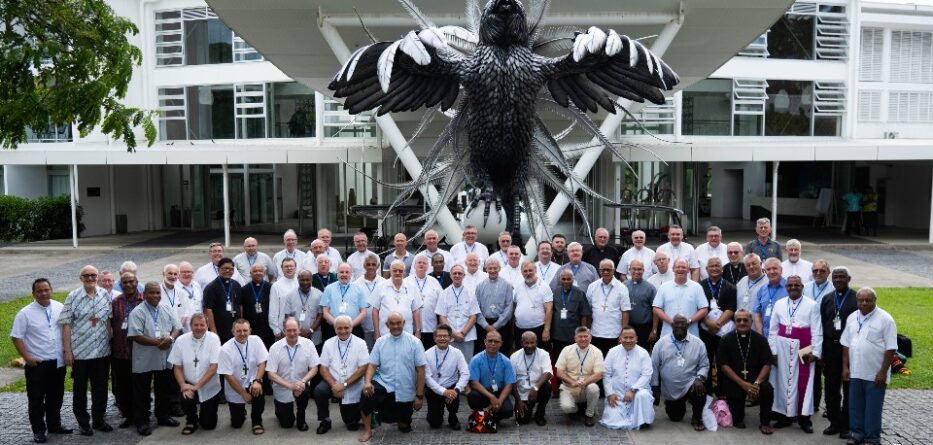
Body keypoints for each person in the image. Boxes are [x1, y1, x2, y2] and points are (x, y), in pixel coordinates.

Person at [11, 278, 71, 444]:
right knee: (36, 399)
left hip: (57, 362)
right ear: (33, 293)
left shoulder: (60, 307)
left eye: (46, 290)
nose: (44, 293)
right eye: (40, 291)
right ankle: (38, 430)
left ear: (51, 290)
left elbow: (66, 330)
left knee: (56, 396)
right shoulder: (25, 313)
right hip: (37, 363)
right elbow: (16, 337)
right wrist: (27, 358)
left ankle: (54, 425)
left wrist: (67, 352)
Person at [60, 265, 112, 436]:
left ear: (97, 277)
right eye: (86, 275)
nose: (90, 278)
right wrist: (68, 352)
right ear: (81, 278)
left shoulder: (105, 294)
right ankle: (83, 423)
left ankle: (98, 419)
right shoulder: (73, 296)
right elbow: (66, 324)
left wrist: (110, 341)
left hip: (102, 352)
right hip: (81, 352)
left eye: (93, 275)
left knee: (101, 388)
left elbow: (108, 321)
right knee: (80, 389)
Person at [359, 312, 428, 441]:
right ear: (387, 325)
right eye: (392, 323)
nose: (396, 326)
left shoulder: (415, 342)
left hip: (405, 388)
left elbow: (421, 370)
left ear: (404, 323)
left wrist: (419, 397)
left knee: (404, 427)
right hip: (385, 383)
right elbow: (372, 365)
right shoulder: (380, 342)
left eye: (398, 323)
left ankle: (396, 417)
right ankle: (368, 431)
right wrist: (368, 382)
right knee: (366, 394)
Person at [841, 287, 897, 445]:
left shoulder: (885, 319)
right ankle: (857, 434)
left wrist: (883, 371)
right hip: (856, 371)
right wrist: (845, 367)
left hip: (875, 373)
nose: (864, 303)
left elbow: (891, 348)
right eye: (861, 300)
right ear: (857, 301)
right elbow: (846, 344)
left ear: (875, 300)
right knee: (855, 406)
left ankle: (872, 438)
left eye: (868, 300)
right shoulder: (852, 317)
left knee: (873, 408)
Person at [768, 275, 822, 433]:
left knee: (803, 384)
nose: (793, 288)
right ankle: (785, 416)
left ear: (802, 286)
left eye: (796, 285)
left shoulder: (812, 305)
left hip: (804, 348)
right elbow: (772, 330)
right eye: (790, 285)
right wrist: (774, 352)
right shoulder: (779, 304)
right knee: (783, 382)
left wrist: (816, 352)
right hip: (783, 348)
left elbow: (817, 331)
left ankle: (804, 418)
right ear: (786, 287)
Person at [128, 282, 182, 436]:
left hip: (164, 356)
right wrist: (158, 343)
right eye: (152, 293)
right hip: (145, 358)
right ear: (144, 294)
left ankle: (163, 416)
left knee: (163, 389)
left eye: (158, 293)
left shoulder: (166, 308)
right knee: (142, 392)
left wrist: (170, 339)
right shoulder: (137, 312)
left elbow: (177, 327)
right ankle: (142, 421)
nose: (156, 296)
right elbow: (135, 335)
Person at [717, 309, 774, 434]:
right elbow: (724, 367)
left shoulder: (760, 340)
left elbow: (767, 364)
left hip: (756, 379)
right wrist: (743, 384)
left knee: (767, 389)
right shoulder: (726, 340)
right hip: (735, 380)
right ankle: (738, 415)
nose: (742, 323)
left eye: (745, 320)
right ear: (735, 322)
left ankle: (765, 422)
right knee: (737, 420)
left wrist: (757, 383)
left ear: (751, 321)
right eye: (738, 320)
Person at [651, 315, 710, 431]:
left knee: (700, 388)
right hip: (670, 389)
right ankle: (676, 405)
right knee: (675, 417)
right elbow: (654, 366)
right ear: (672, 325)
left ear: (688, 325)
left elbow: (704, 365)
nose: (680, 326)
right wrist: (655, 387)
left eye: (683, 323)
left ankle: (697, 418)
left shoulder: (698, 343)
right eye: (677, 323)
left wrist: (699, 378)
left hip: (690, 383)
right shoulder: (661, 343)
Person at [820, 267, 859, 439]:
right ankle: (834, 422)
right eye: (835, 277)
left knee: (849, 388)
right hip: (830, 349)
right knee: (830, 389)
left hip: (849, 350)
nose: (838, 280)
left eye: (842, 277)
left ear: (849, 278)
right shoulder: (827, 298)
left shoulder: (857, 299)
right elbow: (821, 325)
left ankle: (846, 424)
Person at [313, 315, 369, 434]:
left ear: (351, 328)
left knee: (351, 422)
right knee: (319, 391)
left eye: (346, 328)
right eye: (339, 328)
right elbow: (323, 368)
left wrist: (343, 385)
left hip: (353, 383)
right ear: (335, 329)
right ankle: (325, 420)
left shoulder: (361, 343)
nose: (343, 331)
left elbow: (363, 369)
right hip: (333, 381)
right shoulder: (328, 343)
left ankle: (352, 416)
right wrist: (334, 385)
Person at [169, 313, 222, 435]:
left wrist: (197, 386)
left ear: (207, 325)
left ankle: (208, 412)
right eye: (195, 325)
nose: (199, 328)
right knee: (186, 397)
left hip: (209, 385)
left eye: (202, 325)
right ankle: (191, 420)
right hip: (189, 383)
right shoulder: (181, 340)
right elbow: (177, 367)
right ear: (190, 326)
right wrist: (183, 385)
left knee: (208, 425)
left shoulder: (214, 338)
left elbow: (214, 366)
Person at [266, 317, 320, 431]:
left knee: (304, 391)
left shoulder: (308, 344)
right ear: (284, 331)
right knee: (287, 424)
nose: (292, 333)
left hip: (301, 385)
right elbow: (270, 374)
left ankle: (301, 417)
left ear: (299, 329)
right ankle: (279, 407)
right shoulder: (275, 347)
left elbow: (314, 368)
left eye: (294, 330)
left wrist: (303, 381)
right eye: (289, 330)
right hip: (283, 387)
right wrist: (290, 386)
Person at [218, 319, 268, 434]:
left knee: (258, 391)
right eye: (238, 331)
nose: (242, 334)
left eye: (245, 330)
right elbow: (228, 376)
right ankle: (241, 412)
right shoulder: (225, 349)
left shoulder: (256, 340)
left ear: (250, 331)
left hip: (252, 380)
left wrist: (257, 380)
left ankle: (257, 422)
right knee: (237, 424)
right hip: (235, 385)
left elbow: (262, 363)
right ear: (233, 332)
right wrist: (243, 394)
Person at [600, 326, 654, 430]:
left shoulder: (643, 353)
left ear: (636, 338)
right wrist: (610, 393)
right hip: (617, 395)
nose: (628, 340)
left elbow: (647, 375)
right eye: (625, 337)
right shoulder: (612, 352)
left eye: (631, 337)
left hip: (637, 393)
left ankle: (644, 420)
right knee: (613, 421)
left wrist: (633, 390)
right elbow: (606, 374)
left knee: (643, 395)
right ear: (620, 338)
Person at [110, 273, 144, 429]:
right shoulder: (116, 302)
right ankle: (128, 416)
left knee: (140, 387)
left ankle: (141, 418)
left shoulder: (144, 300)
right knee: (123, 387)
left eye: (131, 281)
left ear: (136, 282)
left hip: (140, 352)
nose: (128, 284)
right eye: (125, 282)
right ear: (120, 284)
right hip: (121, 352)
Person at [699, 257, 737, 390]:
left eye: (717, 266)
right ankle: (707, 389)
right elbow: (698, 308)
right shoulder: (700, 286)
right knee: (706, 360)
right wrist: (708, 323)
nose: (714, 268)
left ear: (722, 269)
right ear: (706, 269)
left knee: (723, 361)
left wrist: (717, 324)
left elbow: (731, 308)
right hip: (705, 331)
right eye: (711, 266)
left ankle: (722, 391)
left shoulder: (730, 287)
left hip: (723, 332)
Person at [555, 326, 604, 426]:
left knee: (594, 389)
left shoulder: (597, 352)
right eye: (580, 336)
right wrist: (574, 383)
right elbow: (559, 372)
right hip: (569, 386)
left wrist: (581, 384)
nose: (583, 339)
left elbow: (599, 374)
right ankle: (580, 407)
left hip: (587, 385)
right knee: (567, 408)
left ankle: (589, 415)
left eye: (586, 336)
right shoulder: (566, 350)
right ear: (575, 338)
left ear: (590, 338)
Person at [425, 324, 470, 430]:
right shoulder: (427, 354)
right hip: (434, 389)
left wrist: (457, 389)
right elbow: (427, 378)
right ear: (434, 338)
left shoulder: (457, 353)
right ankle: (435, 413)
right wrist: (443, 392)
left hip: (452, 388)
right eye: (439, 336)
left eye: (445, 336)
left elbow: (465, 373)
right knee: (435, 423)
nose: (442, 338)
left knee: (454, 399)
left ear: (450, 338)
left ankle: (452, 416)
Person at [467, 331, 516, 423]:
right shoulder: (476, 359)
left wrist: (499, 402)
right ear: (485, 341)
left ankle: (489, 416)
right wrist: (491, 397)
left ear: (501, 343)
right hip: (483, 393)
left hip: (498, 393)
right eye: (490, 341)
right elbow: (474, 383)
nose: (493, 343)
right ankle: (481, 413)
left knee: (508, 411)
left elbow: (509, 384)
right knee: (473, 396)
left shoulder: (506, 361)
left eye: (496, 341)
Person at [586, 259, 631, 357]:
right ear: (599, 271)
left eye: (608, 270)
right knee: (598, 362)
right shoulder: (592, 286)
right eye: (603, 269)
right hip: (596, 332)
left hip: (614, 333)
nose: (606, 272)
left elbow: (625, 311)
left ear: (613, 271)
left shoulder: (622, 288)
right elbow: (588, 310)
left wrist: (623, 332)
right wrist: (588, 329)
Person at [652, 259, 708, 338]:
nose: (680, 269)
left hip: (691, 333)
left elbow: (704, 309)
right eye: (678, 267)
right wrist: (671, 322)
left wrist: (689, 321)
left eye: (683, 267)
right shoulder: (664, 287)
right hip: (668, 333)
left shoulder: (697, 287)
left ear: (688, 270)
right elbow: (656, 308)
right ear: (673, 269)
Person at [436, 265, 481, 358]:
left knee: (467, 365)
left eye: (459, 273)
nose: (457, 275)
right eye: (454, 273)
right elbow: (442, 316)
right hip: (450, 337)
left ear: (464, 276)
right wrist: (453, 333)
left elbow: (473, 316)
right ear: (451, 276)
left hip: (467, 336)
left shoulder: (470, 293)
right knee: (450, 365)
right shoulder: (444, 293)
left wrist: (462, 333)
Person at [510, 331, 552, 426]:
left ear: (536, 343)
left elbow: (548, 373)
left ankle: (540, 414)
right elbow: (511, 381)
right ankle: (528, 407)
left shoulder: (543, 354)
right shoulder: (514, 356)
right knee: (522, 420)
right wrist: (518, 401)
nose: (529, 345)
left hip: (538, 389)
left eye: (532, 342)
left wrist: (535, 388)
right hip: (522, 393)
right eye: (526, 343)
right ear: (521, 343)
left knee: (547, 387)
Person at [372, 260, 422, 339]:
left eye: (400, 271)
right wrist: (377, 332)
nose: (397, 273)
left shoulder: (412, 287)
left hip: (407, 332)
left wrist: (418, 331)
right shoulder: (380, 287)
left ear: (404, 272)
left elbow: (416, 310)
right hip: (385, 332)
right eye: (394, 270)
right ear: (390, 271)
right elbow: (375, 311)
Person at [474, 257, 514, 353]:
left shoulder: (507, 285)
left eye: (495, 268)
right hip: (484, 326)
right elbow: (476, 308)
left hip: (502, 326)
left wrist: (496, 325)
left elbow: (509, 307)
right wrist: (486, 325)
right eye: (490, 268)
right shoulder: (480, 286)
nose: (492, 271)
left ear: (499, 268)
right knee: (483, 353)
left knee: (502, 352)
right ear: (486, 269)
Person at [320, 263, 368, 341]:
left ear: (351, 274)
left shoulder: (359, 289)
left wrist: (350, 325)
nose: (344, 274)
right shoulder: (329, 289)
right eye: (341, 272)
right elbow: (325, 312)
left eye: (347, 272)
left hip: (354, 329)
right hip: (333, 330)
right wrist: (338, 325)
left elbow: (364, 312)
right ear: (337, 274)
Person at [513, 260, 554, 351]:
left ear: (535, 270)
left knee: (540, 356)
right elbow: (514, 307)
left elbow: (549, 309)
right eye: (525, 271)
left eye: (530, 270)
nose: (528, 273)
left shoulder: (544, 286)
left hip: (539, 328)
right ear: (522, 273)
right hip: (520, 329)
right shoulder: (518, 288)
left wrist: (546, 330)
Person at [551, 269, 592, 358]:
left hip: (573, 334)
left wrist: (582, 332)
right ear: (560, 279)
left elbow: (584, 314)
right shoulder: (555, 292)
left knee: (573, 359)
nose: (566, 281)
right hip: (557, 334)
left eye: (568, 279)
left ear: (573, 279)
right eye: (563, 279)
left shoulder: (579, 293)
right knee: (559, 359)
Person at [406, 255, 443, 349]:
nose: (422, 264)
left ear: (428, 266)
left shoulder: (434, 282)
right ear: (414, 266)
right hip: (411, 329)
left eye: (424, 263)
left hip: (431, 328)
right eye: (419, 262)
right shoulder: (406, 282)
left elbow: (442, 304)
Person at [203, 258, 242, 345]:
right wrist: (213, 330)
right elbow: (208, 310)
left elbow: (240, 305)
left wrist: (241, 324)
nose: (228, 271)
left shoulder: (236, 285)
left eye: (231, 269)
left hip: (235, 329)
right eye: (224, 268)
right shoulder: (211, 287)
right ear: (218, 270)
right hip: (219, 330)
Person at [239, 263, 274, 350]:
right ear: (250, 274)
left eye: (260, 271)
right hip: (251, 327)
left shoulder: (271, 288)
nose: (258, 273)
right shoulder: (244, 289)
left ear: (264, 273)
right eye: (255, 271)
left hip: (268, 328)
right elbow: (241, 308)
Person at [624, 260, 657, 349]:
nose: (637, 271)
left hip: (644, 329)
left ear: (643, 270)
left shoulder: (650, 288)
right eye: (634, 269)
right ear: (629, 270)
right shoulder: (623, 286)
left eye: (639, 269)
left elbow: (655, 310)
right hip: (627, 327)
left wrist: (654, 330)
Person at [356, 254, 387, 348]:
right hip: (363, 328)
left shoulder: (384, 283)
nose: (371, 267)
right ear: (364, 266)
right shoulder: (356, 284)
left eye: (373, 264)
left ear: (378, 266)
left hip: (381, 328)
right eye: (368, 264)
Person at [287, 270, 324, 348]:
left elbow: (320, 315)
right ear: (298, 279)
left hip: (314, 337)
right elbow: (288, 316)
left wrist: (310, 330)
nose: (305, 282)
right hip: (295, 336)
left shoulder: (319, 294)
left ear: (311, 280)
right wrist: (297, 331)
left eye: (307, 280)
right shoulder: (290, 295)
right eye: (302, 280)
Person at [753, 258, 787, 335]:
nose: (772, 272)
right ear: (765, 271)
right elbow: (757, 313)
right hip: (765, 335)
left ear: (781, 270)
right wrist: (760, 333)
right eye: (768, 269)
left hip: (783, 335)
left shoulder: (789, 287)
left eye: (775, 268)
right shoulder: (761, 289)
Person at [269, 258, 299, 339]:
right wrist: (276, 330)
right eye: (286, 266)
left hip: (300, 328)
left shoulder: (301, 283)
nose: (289, 268)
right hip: (283, 330)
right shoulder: (276, 286)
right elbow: (273, 310)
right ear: (281, 268)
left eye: (291, 266)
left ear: (296, 267)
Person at [161, 264, 191, 334]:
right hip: (162, 331)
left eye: (175, 274)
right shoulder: (157, 291)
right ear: (163, 274)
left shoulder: (182, 293)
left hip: (179, 331)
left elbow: (185, 315)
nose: (173, 276)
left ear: (178, 276)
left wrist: (175, 332)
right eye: (170, 273)